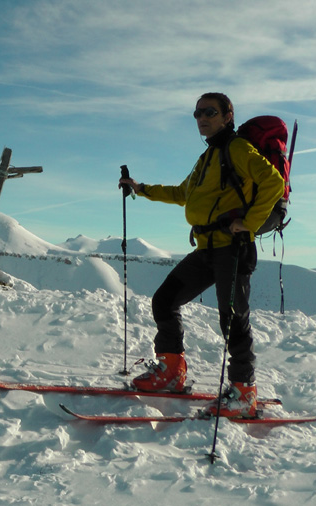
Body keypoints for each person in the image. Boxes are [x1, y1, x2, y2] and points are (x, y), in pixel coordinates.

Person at [118, 92, 285, 418]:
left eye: (209, 112)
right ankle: (171, 371)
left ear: (227, 115)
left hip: (232, 248)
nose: (201, 118)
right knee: (164, 300)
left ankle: (243, 392)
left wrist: (248, 224)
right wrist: (141, 188)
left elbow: (273, 182)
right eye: (196, 114)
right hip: (207, 248)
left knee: (232, 317)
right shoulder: (208, 156)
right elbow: (183, 193)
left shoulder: (237, 149)